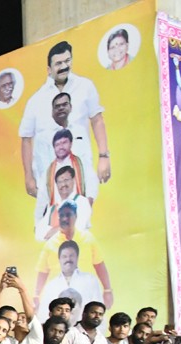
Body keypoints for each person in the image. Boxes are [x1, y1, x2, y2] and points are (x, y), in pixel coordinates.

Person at [20, 40, 110, 202]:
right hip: (48, 177)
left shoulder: (85, 86)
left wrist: (104, 156)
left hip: (81, 171)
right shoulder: (36, 100)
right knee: (53, 223)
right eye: (58, 63)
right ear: (49, 69)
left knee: (83, 218)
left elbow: (97, 120)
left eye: (67, 61)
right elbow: (26, 139)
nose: (64, 66)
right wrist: (29, 177)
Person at [34, 206, 111, 311]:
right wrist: (37, 295)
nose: (65, 219)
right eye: (61, 216)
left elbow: (99, 265)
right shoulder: (50, 243)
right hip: (58, 295)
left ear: (76, 216)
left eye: (68, 215)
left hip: (85, 293)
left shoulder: (88, 239)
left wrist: (107, 290)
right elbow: (43, 271)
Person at [34, 164, 93, 241]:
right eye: (60, 182)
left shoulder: (82, 202)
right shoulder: (53, 208)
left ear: (73, 180)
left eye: (66, 180)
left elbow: (78, 228)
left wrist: (55, 230)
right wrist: (60, 230)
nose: (63, 184)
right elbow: (38, 234)